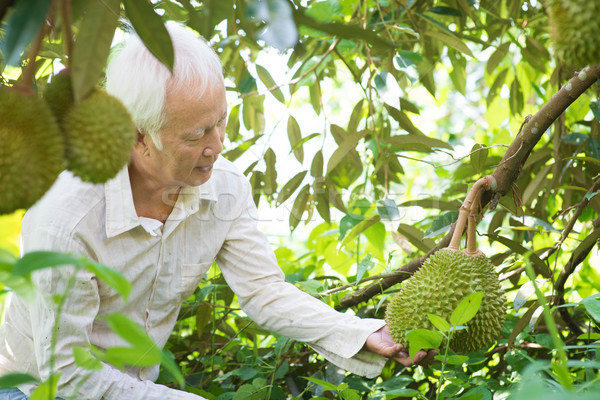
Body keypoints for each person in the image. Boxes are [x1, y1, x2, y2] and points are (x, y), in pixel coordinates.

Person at [0, 23, 434, 399]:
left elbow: (264, 291)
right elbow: (68, 375)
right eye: (196, 135)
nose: (217, 145)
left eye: (220, 122)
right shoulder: (67, 219)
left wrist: (364, 332)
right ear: (136, 136)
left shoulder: (223, 189)